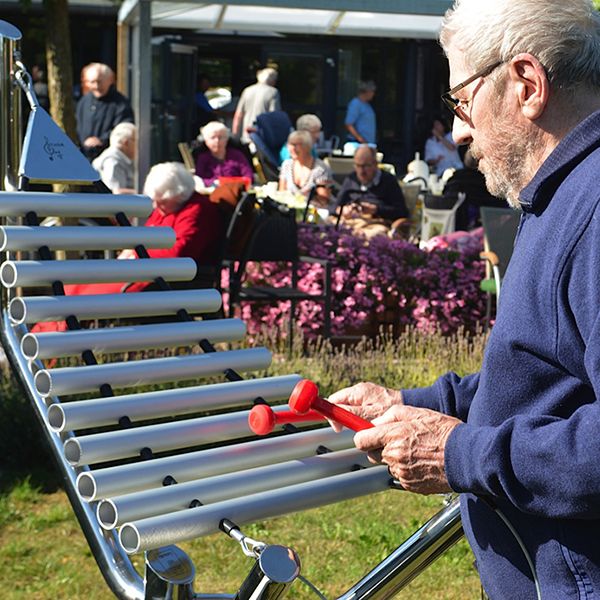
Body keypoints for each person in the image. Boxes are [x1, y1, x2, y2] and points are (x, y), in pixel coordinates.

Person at [327, 1, 600, 599]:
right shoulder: (563, 193)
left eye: (461, 99)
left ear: (526, 84)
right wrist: (415, 401)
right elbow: (548, 374)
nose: (458, 131)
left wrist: (460, 453)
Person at [333, 145, 408, 223]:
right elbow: (335, 206)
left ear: (375, 164)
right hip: (350, 222)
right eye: (358, 166)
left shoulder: (388, 181)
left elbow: (401, 212)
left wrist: (376, 209)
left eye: (366, 166)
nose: (361, 171)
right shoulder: (351, 179)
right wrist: (342, 210)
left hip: (376, 223)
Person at [76, 63, 134, 161]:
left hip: (109, 159)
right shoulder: (84, 101)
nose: (96, 86)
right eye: (92, 82)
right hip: (84, 157)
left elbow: (124, 130)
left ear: (110, 80)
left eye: (99, 82)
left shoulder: (121, 103)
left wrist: (102, 140)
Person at [279, 130, 331, 207]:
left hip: (314, 210)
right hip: (290, 211)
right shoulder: (286, 165)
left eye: (296, 145)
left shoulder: (320, 168)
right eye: (290, 144)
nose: (292, 148)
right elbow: (282, 194)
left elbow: (323, 200)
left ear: (308, 147)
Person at [194, 121, 254, 187]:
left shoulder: (237, 155)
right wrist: (215, 183)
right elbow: (199, 180)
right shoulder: (202, 158)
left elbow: (249, 176)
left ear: (226, 139)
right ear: (206, 141)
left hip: (237, 191)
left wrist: (230, 183)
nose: (217, 141)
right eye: (213, 137)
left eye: (220, 137)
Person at [232, 67, 281, 143]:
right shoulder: (273, 92)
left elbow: (238, 115)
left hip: (246, 135)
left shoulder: (247, 90)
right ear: (273, 80)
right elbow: (274, 116)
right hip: (262, 136)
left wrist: (235, 135)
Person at [92, 122, 137, 194]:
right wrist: (145, 193)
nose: (140, 145)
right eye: (137, 140)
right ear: (126, 143)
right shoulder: (112, 161)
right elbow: (116, 193)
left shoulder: (121, 159)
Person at [344, 81, 377, 153]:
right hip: (358, 144)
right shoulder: (356, 104)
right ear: (366, 92)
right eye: (372, 91)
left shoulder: (367, 105)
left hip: (368, 144)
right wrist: (360, 139)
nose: (373, 94)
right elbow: (349, 124)